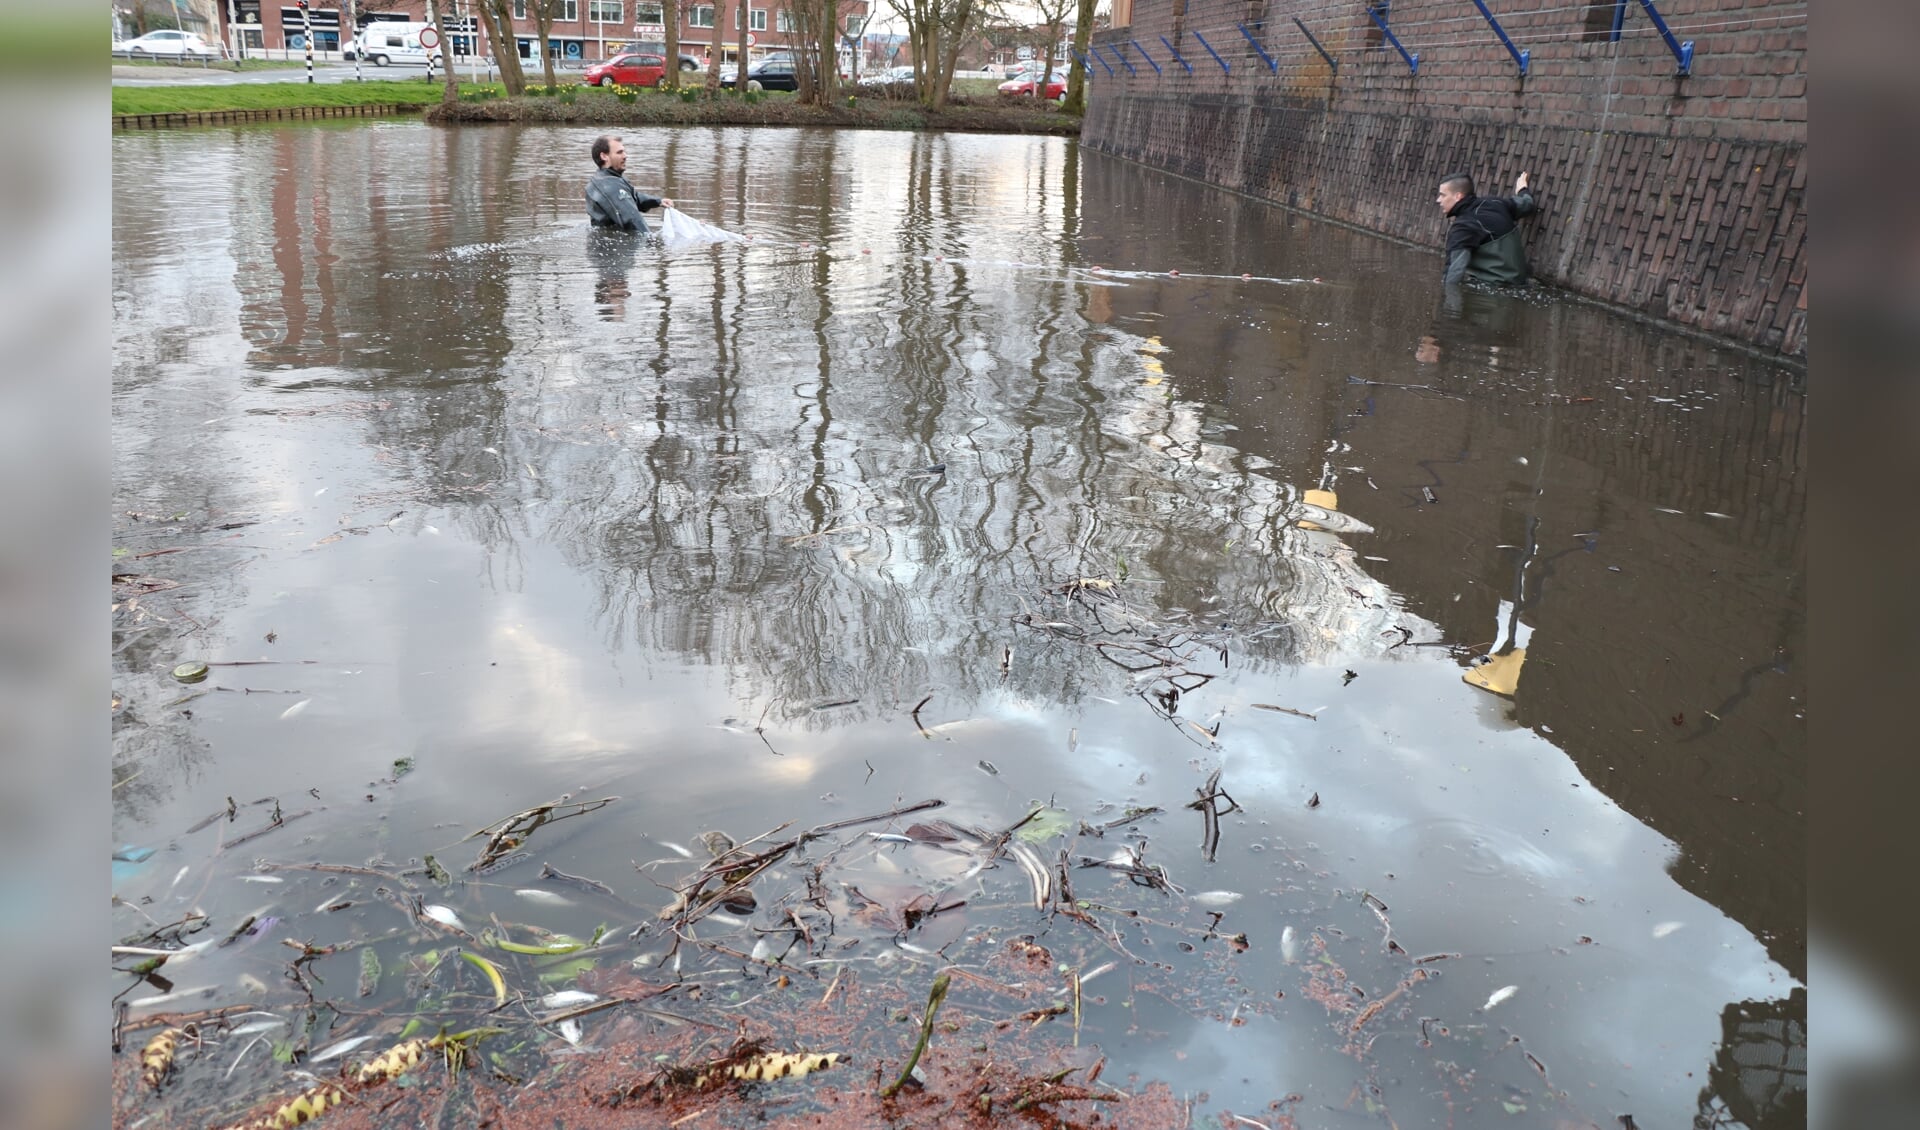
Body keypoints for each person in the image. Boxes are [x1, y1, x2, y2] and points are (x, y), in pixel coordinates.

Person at [1436, 172, 1536, 286]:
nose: (1438, 200)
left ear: (1458, 196)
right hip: (1520, 284)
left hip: (1491, 288)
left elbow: (1454, 273)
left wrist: (1445, 299)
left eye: (1443, 195)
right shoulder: (1496, 203)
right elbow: (1527, 204)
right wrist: (1523, 190)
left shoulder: (1462, 227)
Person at [586, 135, 673, 233]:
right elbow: (632, 220)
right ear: (604, 156)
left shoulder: (606, 179)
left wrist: (657, 201)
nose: (625, 156)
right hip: (615, 245)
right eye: (619, 152)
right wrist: (652, 241)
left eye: (624, 151)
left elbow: (632, 197)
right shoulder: (610, 186)